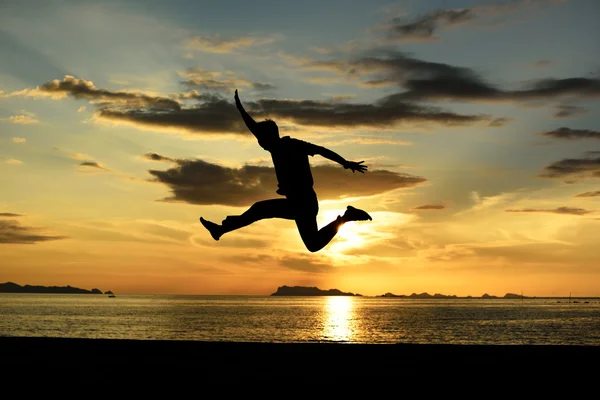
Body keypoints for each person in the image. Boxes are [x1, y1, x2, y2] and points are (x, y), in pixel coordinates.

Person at [200, 89, 372, 253]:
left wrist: (345, 162)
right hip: (298, 203)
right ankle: (346, 217)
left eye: (262, 138)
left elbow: (321, 150)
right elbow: (254, 129)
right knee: (312, 244)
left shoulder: (292, 145)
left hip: (304, 202)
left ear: (270, 136)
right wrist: (240, 110)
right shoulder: (274, 148)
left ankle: (221, 229)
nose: (259, 141)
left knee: (260, 210)